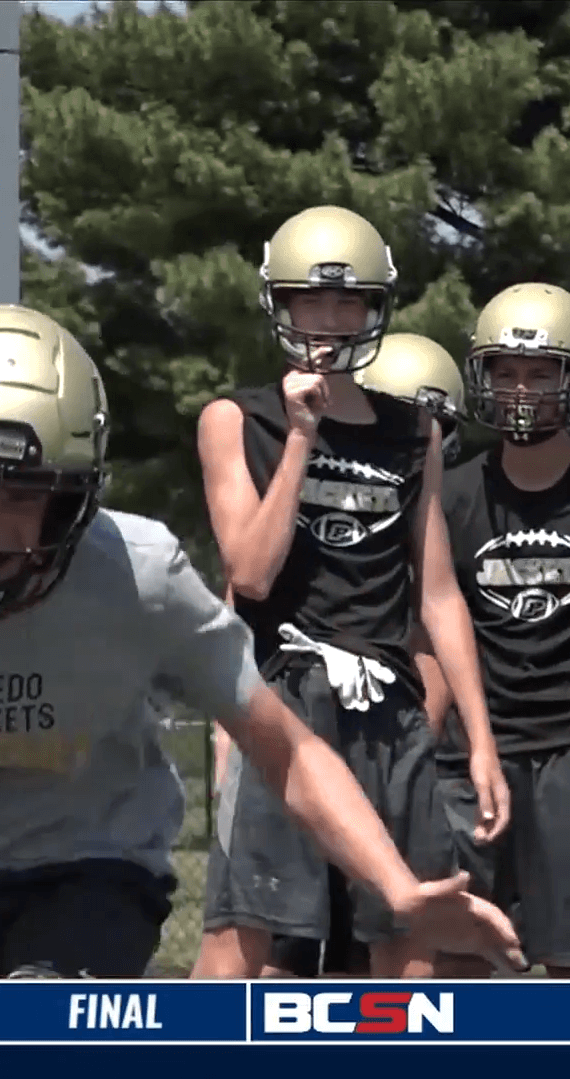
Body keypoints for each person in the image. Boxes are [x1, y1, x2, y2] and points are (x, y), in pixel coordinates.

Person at [0, 303, 523, 980]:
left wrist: (397, 889)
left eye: (24, 497)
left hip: (86, 877)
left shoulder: (137, 575)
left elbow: (287, 747)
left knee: (40, 1025)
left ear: (75, 496)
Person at [191, 205, 511, 980]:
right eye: (311, 301)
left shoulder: (414, 432)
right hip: (283, 700)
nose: (329, 321)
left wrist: (480, 742)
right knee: (251, 942)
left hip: (390, 712)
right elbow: (252, 574)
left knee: (409, 941)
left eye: (348, 303)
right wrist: (303, 436)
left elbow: (436, 594)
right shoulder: (236, 419)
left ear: (376, 310)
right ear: (280, 304)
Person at [217, 331, 465, 978]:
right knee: (275, 945)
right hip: (295, 708)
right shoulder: (268, 437)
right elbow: (242, 591)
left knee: (384, 949)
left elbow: (433, 624)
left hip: (381, 731)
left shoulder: (425, 474)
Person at [432, 282, 570, 979]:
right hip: (473, 755)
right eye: (505, 372)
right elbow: (429, 639)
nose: (521, 390)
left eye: (541, 373)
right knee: (455, 956)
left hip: (566, 753)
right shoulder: (454, 493)